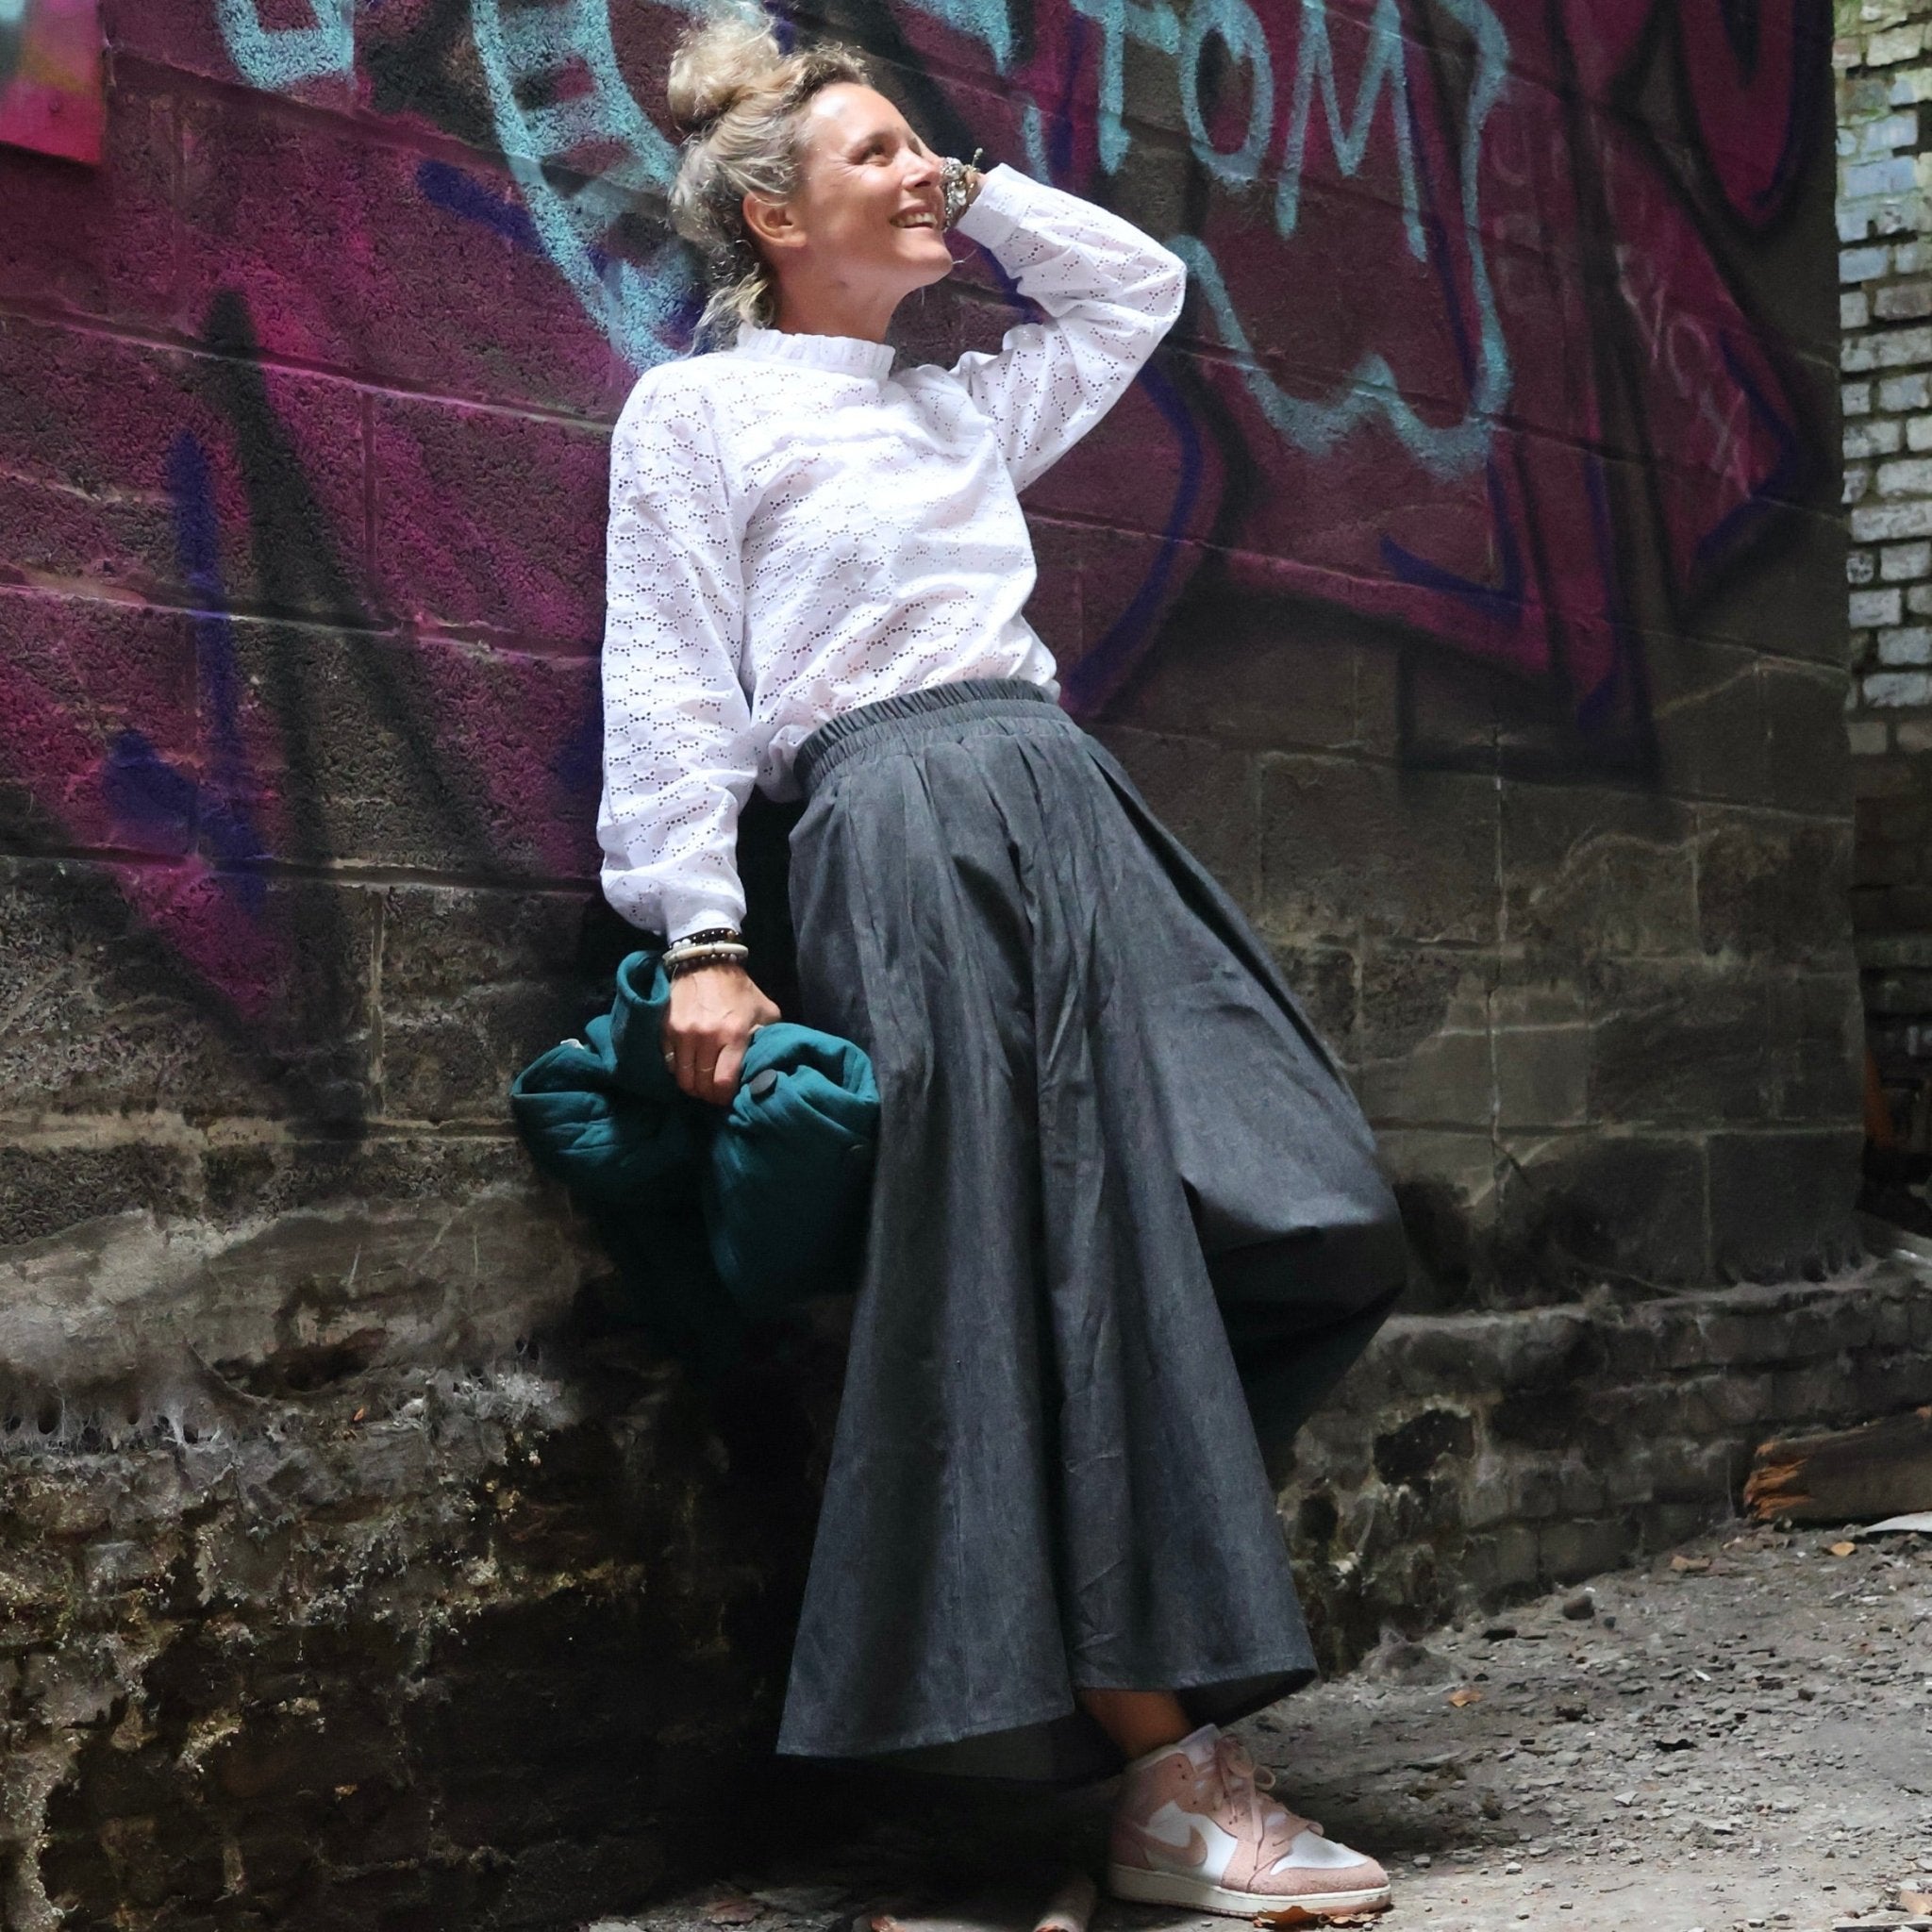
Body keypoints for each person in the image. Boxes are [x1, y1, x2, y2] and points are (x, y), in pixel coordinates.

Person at [596, 11, 1408, 1920]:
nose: (922, 176)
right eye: (876, 154)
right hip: (895, 830)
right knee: (1029, 1276)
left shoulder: (957, 406)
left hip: (1067, 809)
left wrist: (966, 185)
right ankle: (1173, 1781)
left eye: (926, 151)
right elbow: (670, 678)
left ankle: (1102, 1620)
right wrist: (700, 933)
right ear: (774, 216)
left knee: (1313, 1202)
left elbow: (1134, 292)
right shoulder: (696, 417)